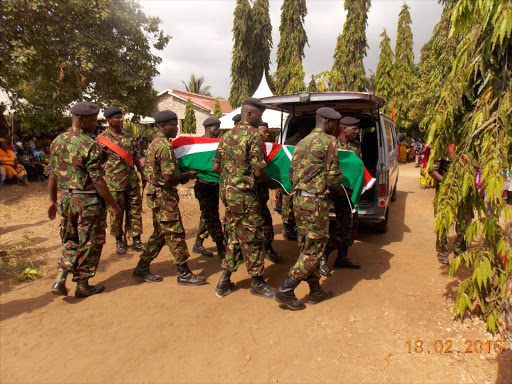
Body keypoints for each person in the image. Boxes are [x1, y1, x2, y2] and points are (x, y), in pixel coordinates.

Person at [48, 101, 122, 298]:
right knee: (91, 242)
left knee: (70, 239)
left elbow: (53, 175)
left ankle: (60, 278)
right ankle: (83, 284)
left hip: (66, 199)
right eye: (91, 120)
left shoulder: (57, 141)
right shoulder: (89, 145)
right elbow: (97, 180)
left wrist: (52, 201)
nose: (94, 124)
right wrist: (113, 205)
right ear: (80, 119)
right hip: (87, 202)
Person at [274, 107, 345, 310]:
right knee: (315, 249)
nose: (336, 127)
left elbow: (290, 175)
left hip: (299, 201)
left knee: (307, 246)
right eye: (335, 123)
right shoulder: (330, 142)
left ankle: (316, 291)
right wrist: (343, 186)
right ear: (327, 122)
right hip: (315, 202)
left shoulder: (301, 143)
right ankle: (286, 290)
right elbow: (332, 176)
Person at [131, 110, 206, 285]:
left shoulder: (155, 143)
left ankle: (141, 268)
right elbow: (169, 177)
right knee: (175, 232)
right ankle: (184, 273)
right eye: (173, 125)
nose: (176, 129)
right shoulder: (164, 146)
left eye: (176, 125)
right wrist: (189, 174)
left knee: (160, 234)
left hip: (156, 194)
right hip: (163, 195)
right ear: (162, 125)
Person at [213, 98, 278, 299]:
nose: (261, 120)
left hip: (228, 194)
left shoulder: (226, 136)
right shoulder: (254, 136)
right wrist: (272, 183)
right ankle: (257, 283)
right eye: (259, 115)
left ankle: (224, 282)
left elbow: (216, 166)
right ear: (249, 114)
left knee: (234, 235)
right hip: (244, 196)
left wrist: (230, 177)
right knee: (253, 237)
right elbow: (259, 171)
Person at [97, 106, 146, 255]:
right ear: (108, 120)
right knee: (117, 213)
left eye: (121, 117)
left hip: (131, 180)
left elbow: (135, 156)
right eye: (116, 118)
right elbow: (98, 162)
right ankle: (119, 240)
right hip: (114, 183)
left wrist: (142, 174)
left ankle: (136, 239)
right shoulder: (102, 140)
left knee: (135, 211)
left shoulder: (128, 136)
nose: (120, 120)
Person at [319, 116, 362, 276]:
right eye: (355, 129)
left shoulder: (356, 145)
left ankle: (342, 258)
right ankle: (324, 254)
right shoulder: (332, 144)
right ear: (345, 128)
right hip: (338, 192)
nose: (357, 132)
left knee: (352, 226)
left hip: (352, 193)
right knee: (342, 228)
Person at [192, 117, 226, 259]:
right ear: (207, 128)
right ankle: (220, 246)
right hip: (203, 186)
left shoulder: (219, 143)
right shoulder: (198, 145)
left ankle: (198, 243)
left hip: (214, 186)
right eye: (215, 127)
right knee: (212, 216)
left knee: (207, 215)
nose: (218, 129)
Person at [256, 122, 282, 263]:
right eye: (264, 132)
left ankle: (268, 250)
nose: (267, 134)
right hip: (251, 199)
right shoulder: (254, 148)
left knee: (265, 224)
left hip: (259, 198)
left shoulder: (265, 149)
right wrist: (271, 183)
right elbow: (259, 172)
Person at [281, 125, 310, 241]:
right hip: (292, 175)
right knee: (288, 205)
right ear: (301, 130)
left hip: (296, 176)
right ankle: (288, 229)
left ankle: (293, 228)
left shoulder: (304, 141)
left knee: (291, 204)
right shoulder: (292, 142)